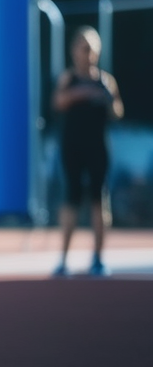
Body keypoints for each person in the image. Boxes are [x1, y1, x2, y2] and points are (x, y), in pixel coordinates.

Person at [51, 26, 123, 277]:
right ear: (74, 50)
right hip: (72, 146)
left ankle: (98, 258)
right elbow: (58, 102)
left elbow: (117, 111)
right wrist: (82, 92)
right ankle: (63, 258)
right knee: (71, 197)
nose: (87, 52)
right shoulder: (68, 79)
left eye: (91, 47)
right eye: (83, 46)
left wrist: (106, 96)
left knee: (98, 199)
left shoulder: (106, 80)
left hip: (98, 148)